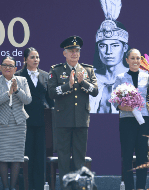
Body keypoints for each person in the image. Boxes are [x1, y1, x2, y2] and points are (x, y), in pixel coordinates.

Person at [48, 36, 98, 190]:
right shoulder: (56, 70)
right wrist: (67, 85)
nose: (74, 54)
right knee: (63, 157)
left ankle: (78, 187)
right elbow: (51, 93)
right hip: (63, 120)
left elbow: (95, 91)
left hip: (81, 120)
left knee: (79, 157)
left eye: (77, 51)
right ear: (65, 53)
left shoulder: (87, 70)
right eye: (71, 51)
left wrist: (83, 82)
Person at [0, 56, 32, 190]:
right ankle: (5, 187)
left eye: (11, 66)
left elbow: (28, 100)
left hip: (18, 123)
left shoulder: (23, 80)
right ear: (1, 67)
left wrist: (17, 90)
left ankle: (13, 187)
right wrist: (8, 93)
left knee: (16, 157)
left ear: (15, 68)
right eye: (5, 65)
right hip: (0, 123)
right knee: (1, 156)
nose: (8, 68)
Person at [15, 47, 54, 190]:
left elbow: (50, 99)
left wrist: (54, 111)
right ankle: (26, 186)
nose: (36, 60)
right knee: (27, 155)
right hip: (25, 121)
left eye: (37, 57)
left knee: (40, 156)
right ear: (25, 60)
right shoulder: (18, 75)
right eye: (32, 57)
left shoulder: (45, 75)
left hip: (43, 121)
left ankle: (39, 186)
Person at [112, 49, 149, 190]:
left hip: (143, 120)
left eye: (138, 58)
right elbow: (114, 99)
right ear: (127, 60)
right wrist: (122, 107)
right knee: (127, 156)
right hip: (127, 120)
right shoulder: (120, 77)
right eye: (132, 58)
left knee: (142, 156)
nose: (135, 61)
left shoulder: (147, 77)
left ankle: (141, 187)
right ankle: (128, 187)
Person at [90, 0, 129, 113]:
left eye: (115, 45)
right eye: (103, 46)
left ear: (125, 48)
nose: (108, 51)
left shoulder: (138, 78)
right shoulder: (88, 77)